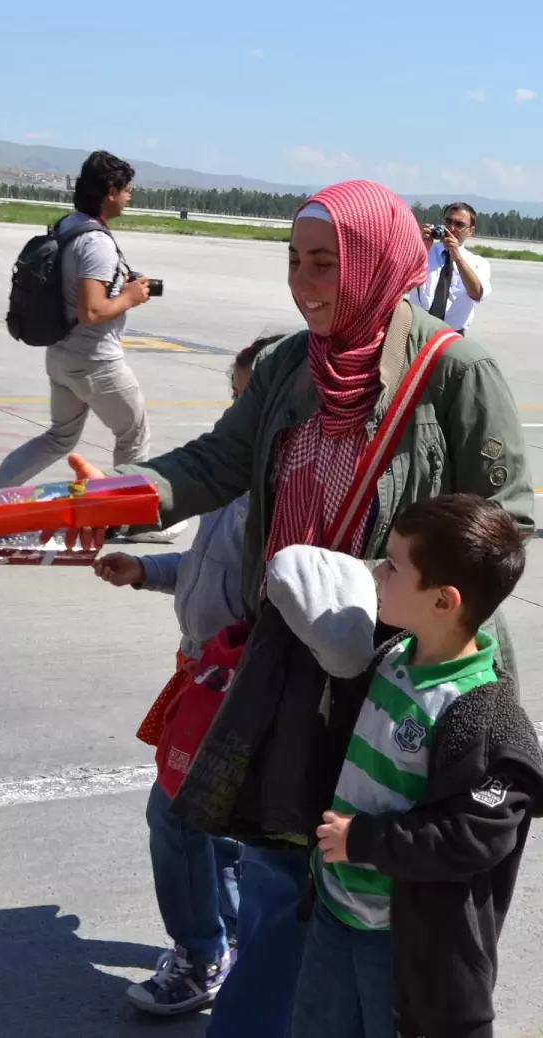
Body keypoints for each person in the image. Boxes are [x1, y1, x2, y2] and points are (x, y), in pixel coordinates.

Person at [68, 178, 533, 1038]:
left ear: (375, 264)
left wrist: (366, 585)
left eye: (325, 263)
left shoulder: (453, 372)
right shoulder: (290, 365)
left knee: (394, 908)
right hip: (295, 664)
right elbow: (214, 461)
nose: (305, 283)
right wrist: (128, 496)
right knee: (281, 873)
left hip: (405, 677)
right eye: (293, 261)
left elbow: (512, 517)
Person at [280, 495, 542, 1038]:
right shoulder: (389, 658)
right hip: (337, 907)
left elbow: (473, 837)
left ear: (443, 601)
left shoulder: (484, 715)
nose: (377, 573)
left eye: (394, 566)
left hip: (403, 941)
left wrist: (366, 841)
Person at [94, 338, 271, 1015]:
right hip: (202, 674)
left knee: (175, 818)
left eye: (250, 398)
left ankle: (203, 955)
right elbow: (204, 570)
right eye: (234, 396)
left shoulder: (277, 492)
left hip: (239, 683)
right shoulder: (234, 482)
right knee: (215, 830)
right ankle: (223, 942)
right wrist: (146, 571)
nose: (237, 412)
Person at [0, 152, 181, 540]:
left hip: (61, 357)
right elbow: (91, 309)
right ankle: (129, 520)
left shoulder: (69, 225)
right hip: (96, 361)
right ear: (110, 193)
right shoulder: (97, 243)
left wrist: (122, 287)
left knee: (59, 437)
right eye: (126, 191)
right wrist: (130, 297)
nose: (130, 197)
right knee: (133, 435)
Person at [407, 202, 490, 334]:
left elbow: (476, 294)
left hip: (452, 333)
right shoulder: (426, 251)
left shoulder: (478, 263)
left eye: (459, 225)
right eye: (448, 221)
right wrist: (422, 249)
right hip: (416, 330)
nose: (451, 228)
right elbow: (402, 281)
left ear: (471, 231)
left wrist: (457, 258)